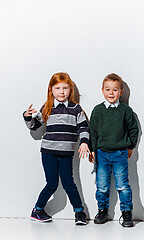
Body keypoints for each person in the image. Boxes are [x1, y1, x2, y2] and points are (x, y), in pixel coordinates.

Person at [23, 72, 90, 225]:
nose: (61, 91)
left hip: (66, 153)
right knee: (51, 184)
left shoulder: (75, 109)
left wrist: (85, 142)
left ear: (70, 90)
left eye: (65, 88)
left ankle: (79, 212)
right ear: (51, 90)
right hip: (48, 152)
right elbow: (35, 128)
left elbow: (84, 127)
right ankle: (37, 210)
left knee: (69, 183)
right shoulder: (47, 107)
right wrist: (28, 117)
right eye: (57, 88)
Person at [89, 73, 139, 227]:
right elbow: (93, 132)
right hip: (102, 154)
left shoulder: (125, 110)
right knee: (102, 186)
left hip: (120, 154)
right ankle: (102, 211)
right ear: (102, 91)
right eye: (108, 89)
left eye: (115, 90)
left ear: (121, 92)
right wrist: (92, 150)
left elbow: (134, 129)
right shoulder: (98, 110)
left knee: (123, 185)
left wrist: (130, 146)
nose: (111, 93)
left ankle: (127, 214)